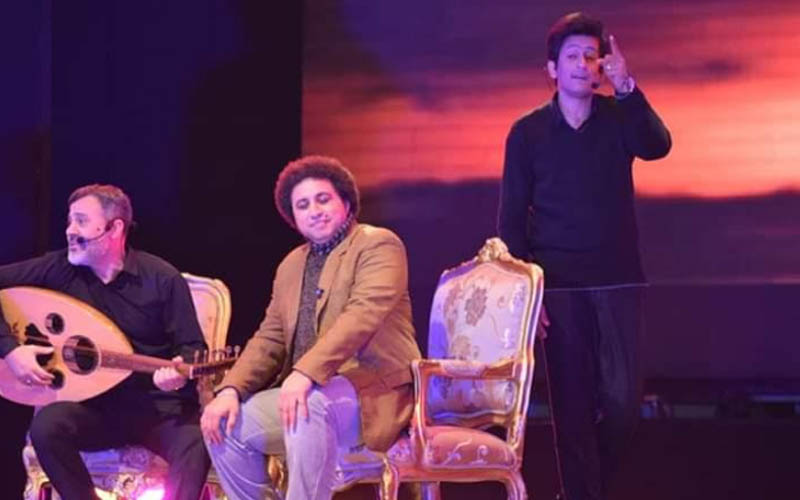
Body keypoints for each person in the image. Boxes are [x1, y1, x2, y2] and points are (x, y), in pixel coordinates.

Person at [497, 12, 672, 500]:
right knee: (571, 412)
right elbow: (511, 219)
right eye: (571, 56)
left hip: (619, 281)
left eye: (591, 56)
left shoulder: (619, 116)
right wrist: (528, 295)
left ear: (601, 67)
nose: (581, 64)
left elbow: (657, 146)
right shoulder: (527, 132)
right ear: (552, 69)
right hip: (559, 287)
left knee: (622, 406)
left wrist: (627, 87)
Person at [201, 155, 421, 500]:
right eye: (302, 205)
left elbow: (362, 315)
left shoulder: (378, 244)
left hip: (375, 390)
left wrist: (305, 372)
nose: (314, 211)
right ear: (293, 216)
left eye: (323, 199)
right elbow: (270, 337)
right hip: (308, 391)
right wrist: (230, 390)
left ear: (345, 202)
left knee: (309, 405)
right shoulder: (291, 264)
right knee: (223, 424)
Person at [0, 184, 210, 500]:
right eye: (70, 220)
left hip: (156, 407)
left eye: (81, 221)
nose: (70, 230)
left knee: (195, 442)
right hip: (92, 408)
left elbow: (192, 349)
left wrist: (177, 377)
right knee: (47, 427)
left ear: (115, 228)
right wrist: (11, 350)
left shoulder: (161, 278)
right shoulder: (60, 268)